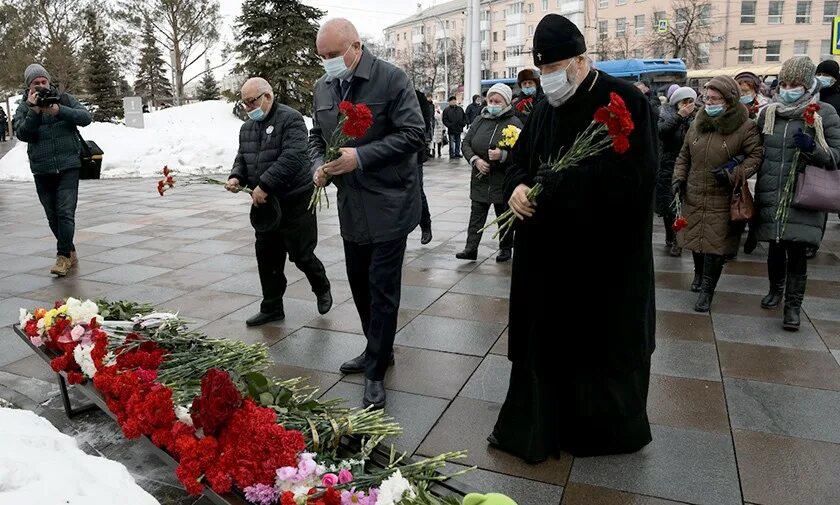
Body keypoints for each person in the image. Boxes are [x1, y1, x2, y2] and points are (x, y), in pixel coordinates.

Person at [489, 14, 658, 462]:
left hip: (601, 257)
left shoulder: (625, 101)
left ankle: (596, 434)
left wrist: (566, 188)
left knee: (596, 346)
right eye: (542, 70)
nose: (547, 80)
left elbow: (637, 182)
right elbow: (522, 160)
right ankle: (540, 426)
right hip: (545, 256)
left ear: (582, 61)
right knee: (545, 344)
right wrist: (517, 189)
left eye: (555, 68)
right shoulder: (545, 105)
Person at [310, 18, 425, 409]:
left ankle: (376, 370)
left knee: (382, 288)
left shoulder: (392, 79)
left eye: (332, 55)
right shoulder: (322, 87)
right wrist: (317, 165)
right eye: (321, 56)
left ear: (355, 47)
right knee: (359, 283)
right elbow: (316, 136)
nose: (327, 63)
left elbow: (414, 134)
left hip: (391, 201)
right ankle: (378, 347)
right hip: (352, 205)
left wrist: (360, 157)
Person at [225, 77, 332, 327]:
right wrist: (235, 176)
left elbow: (293, 157)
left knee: (301, 254)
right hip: (265, 205)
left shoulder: (291, 119)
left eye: (252, 102)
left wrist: (264, 185)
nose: (249, 108)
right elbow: (243, 157)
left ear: (268, 97)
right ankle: (271, 307)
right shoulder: (247, 127)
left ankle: (321, 285)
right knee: (267, 257)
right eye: (245, 103)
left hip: (295, 201)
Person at [754, 56, 840, 331]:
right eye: (784, 83)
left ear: (808, 85)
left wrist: (812, 148)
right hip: (771, 188)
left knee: (798, 251)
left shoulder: (823, 113)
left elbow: (836, 156)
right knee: (775, 246)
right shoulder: (769, 112)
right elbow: (756, 148)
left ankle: (793, 306)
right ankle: (775, 289)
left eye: (795, 84)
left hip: (803, 192)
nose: (788, 88)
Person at [672, 76, 763, 311]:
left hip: (722, 195)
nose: (708, 103)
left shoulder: (745, 126)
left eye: (715, 99)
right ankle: (699, 274)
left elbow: (755, 156)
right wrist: (679, 178)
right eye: (707, 98)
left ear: (729, 100)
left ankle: (707, 291)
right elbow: (684, 155)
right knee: (695, 238)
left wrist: (735, 173)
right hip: (694, 190)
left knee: (715, 244)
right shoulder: (698, 122)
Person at [13, 63, 91, 276]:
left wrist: (59, 111)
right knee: (52, 216)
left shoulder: (64, 99)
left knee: (65, 212)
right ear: (29, 87)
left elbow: (86, 118)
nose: (40, 86)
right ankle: (70, 250)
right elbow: (23, 134)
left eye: (43, 82)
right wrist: (34, 112)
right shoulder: (24, 107)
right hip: (42, 168)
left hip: (68, 165)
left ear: (49, 82)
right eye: (35, 83)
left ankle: (62, 256)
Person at [457, 83, 522, 263]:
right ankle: (471, 248)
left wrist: (503, 155)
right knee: (476, 215)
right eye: (490, 100)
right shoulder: (479, 120)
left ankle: (505, 247)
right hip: (480, 178)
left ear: (506, 102)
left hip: (502, 179)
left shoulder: (514, 123)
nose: (492, 104)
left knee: (503, 215)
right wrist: (475, 161)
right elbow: (466, 144)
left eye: (497, 101)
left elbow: (522, 152)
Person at [657, 86, 697, 257]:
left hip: (688, 165)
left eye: (690, 101)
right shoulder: (666, 115)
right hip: (668, 164)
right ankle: (670, 234)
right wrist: (680, 117)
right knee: (668, 205)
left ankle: (677, 240)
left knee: (681, 204)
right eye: (684, 101)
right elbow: (662, 132)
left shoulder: (697, 117)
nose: (687, 105)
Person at [735, 71, 770, 256]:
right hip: (737, 156)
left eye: (746, 91)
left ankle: (753, 233)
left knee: (754, 199)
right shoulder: (732, 107)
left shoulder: (765, 108)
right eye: (739, 91)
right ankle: (737, 230)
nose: (743, 95)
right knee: (738, 196)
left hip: (758, 159)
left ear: (755, 90)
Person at [414, 90, 434, 244]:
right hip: (390, 155)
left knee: (417, 191)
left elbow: (425, 124)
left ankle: (425, 226)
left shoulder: (418, 97)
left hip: (412, 153)